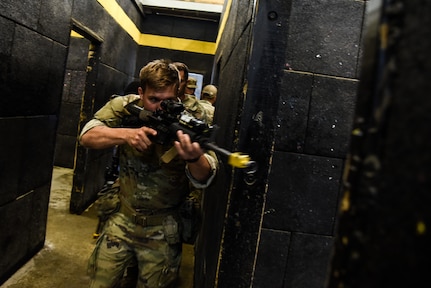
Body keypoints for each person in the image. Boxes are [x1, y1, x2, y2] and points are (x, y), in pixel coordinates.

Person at [80, 59, 218, 288]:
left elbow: (206, 176)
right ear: (141, 93)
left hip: (163, 227)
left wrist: (194, 158)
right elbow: (87, 136)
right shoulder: (125, 106)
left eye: (169, 101)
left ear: (179, 93)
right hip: (122, 217)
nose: (160, 107)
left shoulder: (192, 117)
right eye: (153, 100)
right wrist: (126, 135)